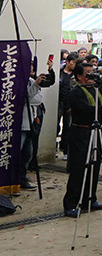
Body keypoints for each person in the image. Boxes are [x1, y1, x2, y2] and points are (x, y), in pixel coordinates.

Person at [63, 62, 102, 217]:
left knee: (95, 166)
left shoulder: (96, 90)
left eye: (93, 72)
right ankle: (71, 203)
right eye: (88, 73)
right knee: (79, 167)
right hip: (81, 132)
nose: (92, 76)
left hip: (95, 131)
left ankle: (89, 199)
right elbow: (86, 110)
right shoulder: (76, 92)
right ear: (79, 76)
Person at [21, 57, 55, 190]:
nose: (32, 68)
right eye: (29, 65)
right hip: (23, 121)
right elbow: (27, 98)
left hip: (32, 120)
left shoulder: (30, 80)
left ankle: (22, 177)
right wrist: (36, 84)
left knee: (28, 153)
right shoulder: (19, 81)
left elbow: (38, 97)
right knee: (20, 151)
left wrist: (49, 70)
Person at [57, 52, 78, 160]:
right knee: (56, 126)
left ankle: (65, 150)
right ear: (67, 62)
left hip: (69, 104)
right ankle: (56, 147)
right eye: (73, 62)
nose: (74, 65)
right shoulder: (60, 72)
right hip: (59, 102)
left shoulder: (75, 75)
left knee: (67, 127)